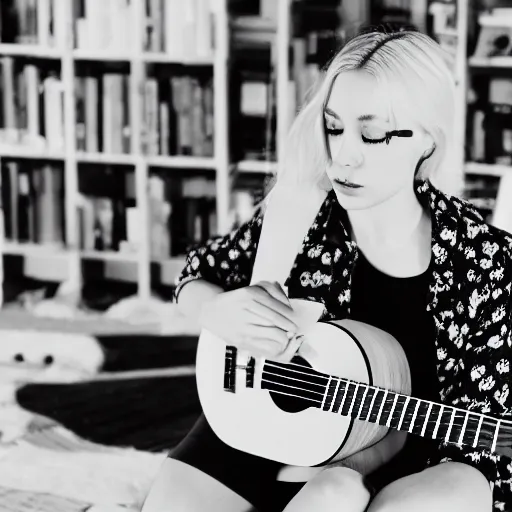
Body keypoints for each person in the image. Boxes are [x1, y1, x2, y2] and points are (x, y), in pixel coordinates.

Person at [140, 28, 511, 512]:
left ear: (427, 139)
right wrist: (216, 309)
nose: (344, 155)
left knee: (349, 496)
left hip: (419, 459)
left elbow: (484, 442)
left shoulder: (486, 261)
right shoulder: (300, 216)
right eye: (334, 128)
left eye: (372, 133)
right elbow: (197, 272)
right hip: (265, 425)